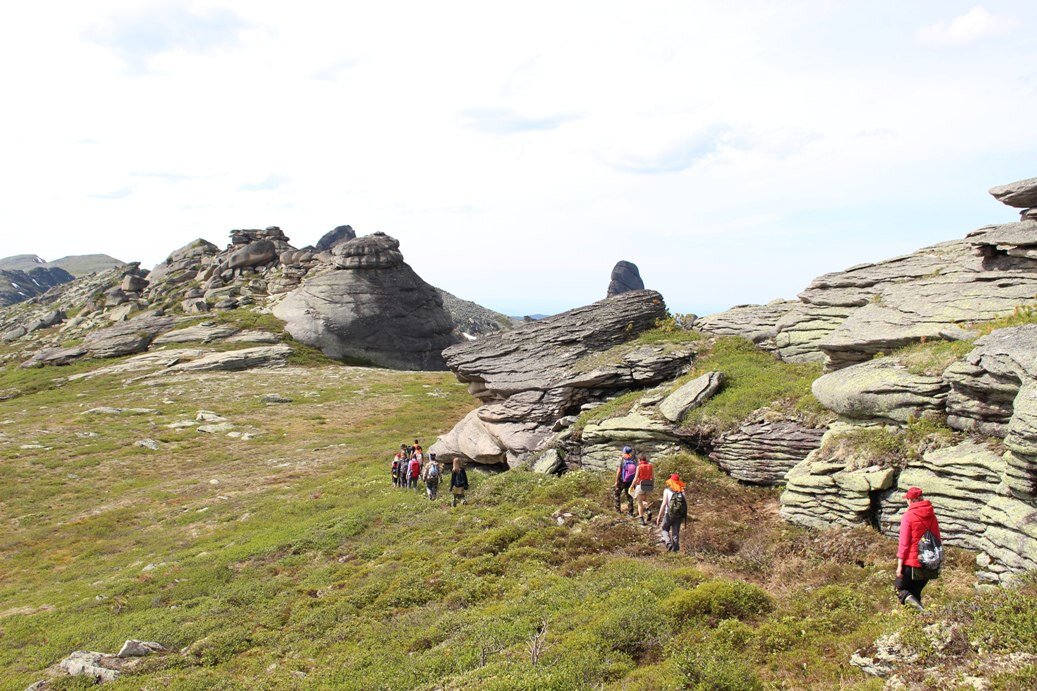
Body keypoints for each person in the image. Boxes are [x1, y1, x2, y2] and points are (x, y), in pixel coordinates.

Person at [896, 486, 942, 611]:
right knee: (915, 594)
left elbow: (904, 544)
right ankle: (918, 624)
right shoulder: (932, 515)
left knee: (900, 590)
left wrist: (899, 565)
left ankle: (923, 613)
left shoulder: (908, 516)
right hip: (929, 563)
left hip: (912, 564)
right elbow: (937, 538)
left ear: (910, 500)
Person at [658, 473, 687, 552]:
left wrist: (659, 516)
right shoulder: (682, 491)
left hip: (669, 514)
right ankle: (676, 550)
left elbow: (664, 504)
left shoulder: (667, 491)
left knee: (664, 528)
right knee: (675, 533)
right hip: (679, 515)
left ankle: (668, 543)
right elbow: (685, 504)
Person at [630, 454, 655, 526]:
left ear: (640, 460)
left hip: (641, 484)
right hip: (648, 484)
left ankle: (642, 520)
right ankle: (648, 510)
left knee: (639, 503)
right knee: (644, 500)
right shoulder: (650, 466)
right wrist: (652, 484)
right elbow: (653, 477)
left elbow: (635, 479)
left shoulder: (639, 467)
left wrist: (631, 486)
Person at [614, 446, 637, 515]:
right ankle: (630, 512)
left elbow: (619, 471)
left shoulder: (621, 459)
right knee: (629, 496)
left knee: (617, 494)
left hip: (621, 480)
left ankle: (618, 512)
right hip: (630, 480)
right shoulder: (633, 459)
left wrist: (616, 481)